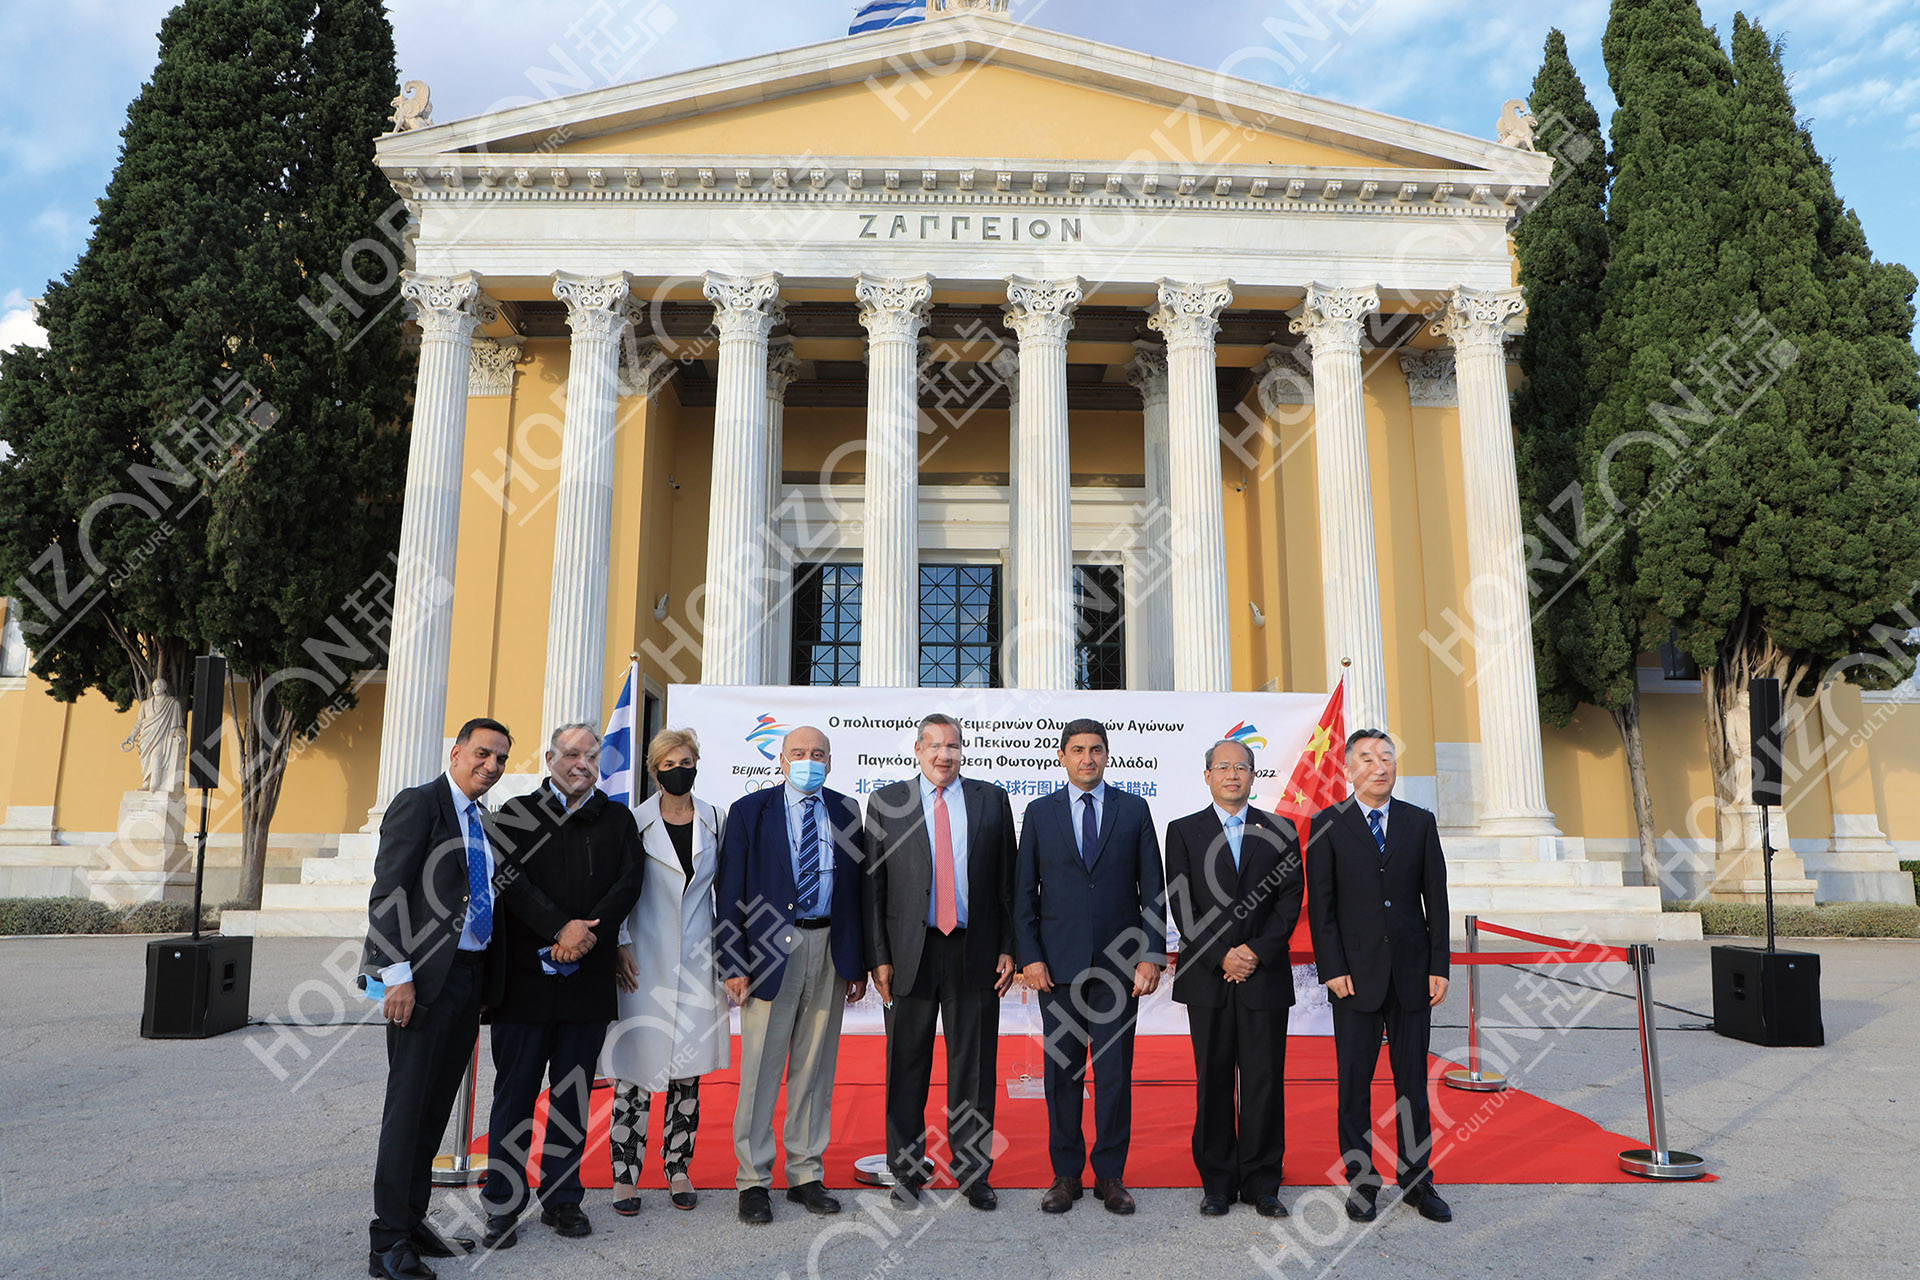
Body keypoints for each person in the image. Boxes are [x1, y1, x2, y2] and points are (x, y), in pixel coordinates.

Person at [479, 723, 645, 1248]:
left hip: (586, 983)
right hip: (524, 983)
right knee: (515, 1096)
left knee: (572, 1096)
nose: (581, 764)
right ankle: (503, 1205)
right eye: (571, 754)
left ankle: (563, 1199)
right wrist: (559, 928)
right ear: (549, 756)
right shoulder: (516, 814)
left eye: (591, 756)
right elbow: (507, 880)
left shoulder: (617, 819)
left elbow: (629, 883)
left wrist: (585, 935)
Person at [362, 717, 512, 1280]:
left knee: (434, 1110)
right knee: (407, 1111)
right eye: (482, 754)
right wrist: (395, 975)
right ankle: (386, 1243)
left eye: (499, 759)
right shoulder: (419, 804)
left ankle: (411, 1218)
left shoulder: (484, 820)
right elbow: (388, 891)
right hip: (420, 984)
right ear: (456, 753)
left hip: (467, 980)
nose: (490, 766)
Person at [862, 713, 1017, 1210]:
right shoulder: (887, 802)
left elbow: (1008, 884)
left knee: (973, 1067)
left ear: (962, 750)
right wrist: (879, 958)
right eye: (934, 746)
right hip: (911, 952)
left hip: (974, 949)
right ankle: (906, 1171)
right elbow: (873, 888)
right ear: (917, 748)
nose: (944, 755)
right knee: (905, 1064)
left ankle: (973, 1172)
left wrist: (1009, 947)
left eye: (952, 746)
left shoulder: (991, 799)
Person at [1013, 718, 1167, 1216]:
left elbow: (1154, 891)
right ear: (1062, 757)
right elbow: (1023, 896)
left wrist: (1151, 954)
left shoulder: (1134, 810)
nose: (1087, 758)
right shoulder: (1039, 813)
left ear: (1107, 754)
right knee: (1062, 1075)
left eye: (1096, 750)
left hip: (1119, 971)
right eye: (1077, 750)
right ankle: (1065, 1175)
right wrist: (1030, 957)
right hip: (1057, 970)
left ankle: (1110, 1176)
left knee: (1115, 1074)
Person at [716, 725, 867, 1224]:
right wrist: (732, 962)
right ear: (781, 761)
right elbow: (729, 890)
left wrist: (858, 959)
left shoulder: (846, 810)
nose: (809, 760)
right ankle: (754, 1179)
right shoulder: (749, 812)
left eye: (818, 753)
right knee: (761, 1067)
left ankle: (804, 1172)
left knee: (815, 1067)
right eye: (799, 753)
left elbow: (857, 890)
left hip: (829, 946)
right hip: (768, 951)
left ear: (831, 761)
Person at [1306, 728, 1453, 1225]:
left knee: (1412, 1082)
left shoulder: (1419, 822)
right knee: (1355, 1083)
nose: (1379, 766)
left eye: (1387, 757)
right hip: (1355, 977)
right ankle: (1362, 1181)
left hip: (1412, 974)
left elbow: (1437, 899)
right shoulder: (1328, 824)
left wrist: (1439, 966)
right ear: (1349, 769)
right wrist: (1333, 968)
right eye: (1367, 758)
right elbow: (1321, 906)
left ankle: (1418, 1181)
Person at [1164, 738, 1304, 1219]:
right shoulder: (1183, 831)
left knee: (1264, 1081)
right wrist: (1222, 954)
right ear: (1207, 776)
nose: (1231, 774)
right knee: (1215, 1080)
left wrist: (1255, 953)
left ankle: (1263, 1181)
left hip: (1264, 976)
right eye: (1222, 767)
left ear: (1252, 776)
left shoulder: (1281, 829)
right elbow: (1183, 904)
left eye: (1240, 767)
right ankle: (1217, 1182)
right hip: (1208, 976)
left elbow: (1288, 903)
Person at [601, 728, 730, 1215]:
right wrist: (618, 944)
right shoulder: (632, 822)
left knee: (687, 1075)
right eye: (671, 763)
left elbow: (728, 891)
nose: (681, 769)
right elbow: (614, 892)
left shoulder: (717, 819)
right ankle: (624, 1175)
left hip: (699, 959)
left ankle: (678, 1168)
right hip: (641, 960)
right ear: (655, 771)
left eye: (688, 760)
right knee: (635, 1071)